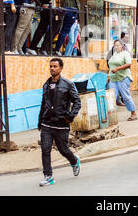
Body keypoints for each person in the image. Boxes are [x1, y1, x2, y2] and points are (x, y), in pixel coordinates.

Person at [38, 58, 81, 186]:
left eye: (55, 66)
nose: (52, 68)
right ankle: (48, 176)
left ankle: (74, 161)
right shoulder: (46, 85)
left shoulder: (67, 84)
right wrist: (40, 121)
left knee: (63, 149)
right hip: (47, 123)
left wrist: (70, 116)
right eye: (51, 66)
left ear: (61, 68)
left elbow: (77, 102)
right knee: (45, 149)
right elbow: (43, 104)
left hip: (61, 123)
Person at [108, 40, 137, 120]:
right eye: (115, 45)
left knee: (125, 96)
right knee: (111, 97)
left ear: (122, 46)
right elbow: (111, 66)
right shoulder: (114, 54)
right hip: (113, 78)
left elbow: (129, 64)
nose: (116, 47)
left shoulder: (125, 54)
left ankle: (133, 113)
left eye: (118, 45)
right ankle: (110, 117)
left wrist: (117, 69)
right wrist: (109, 76)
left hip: (123, 78)